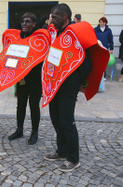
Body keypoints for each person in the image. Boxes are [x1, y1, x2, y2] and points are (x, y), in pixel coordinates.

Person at [42, 3, 98, 172]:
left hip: (69, 84)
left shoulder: (75, 33)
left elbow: (86, 62)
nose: (52, 20)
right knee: (56, 119)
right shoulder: (55, 32)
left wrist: (81, 82)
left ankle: (73, 158)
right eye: (51, 16)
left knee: (66, 121)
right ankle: (61, 151)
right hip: (54, 83)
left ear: (65, 16)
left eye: (55, 17)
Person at [7, 13, 42, 145]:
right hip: (22, 78)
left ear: (34, 24)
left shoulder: (39, 39)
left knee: (34, 106)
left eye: (28, 21)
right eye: (22, 21)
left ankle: (34, 132)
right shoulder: (18, 39)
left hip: (35, 79)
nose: (24, 24)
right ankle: (19, 129)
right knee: (20, 105)